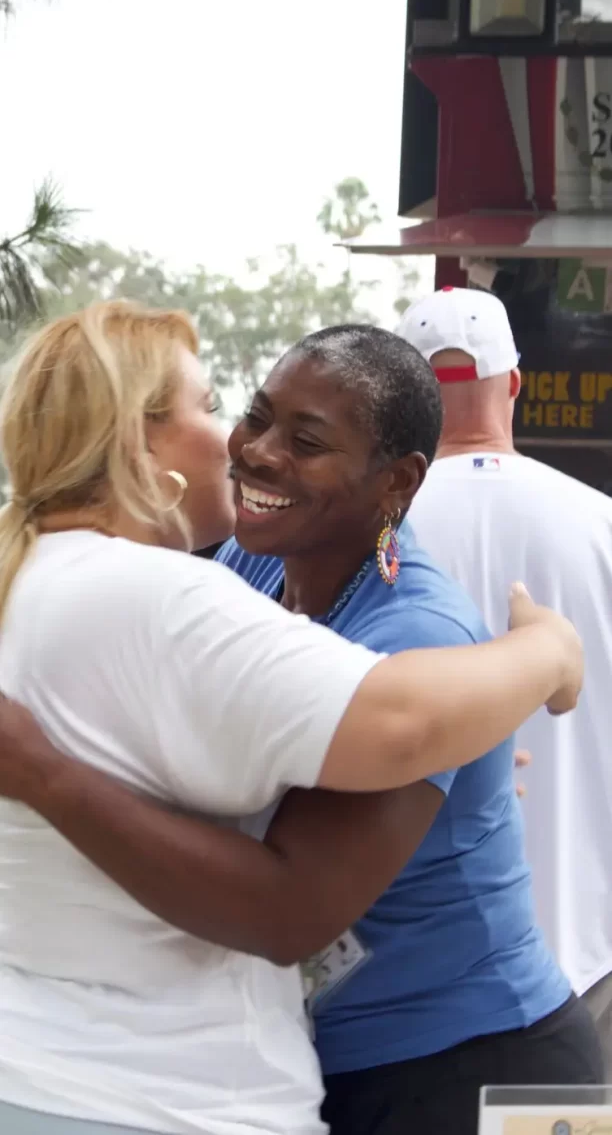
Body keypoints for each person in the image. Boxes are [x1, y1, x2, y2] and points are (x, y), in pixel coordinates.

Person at [0, 321, 595, 1135]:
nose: (258, 450)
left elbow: (299, 893)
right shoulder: (247, 564)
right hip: (335, 1061)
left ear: (396, 483)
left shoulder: (421, 631)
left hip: (479, 1057)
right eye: (255, 413)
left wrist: (545, 654)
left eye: (308, 441)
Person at [398, 285, 612, 1076]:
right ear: (515, 384)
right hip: (591, 959)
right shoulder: (601, 526)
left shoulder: (369, 533)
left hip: (415, 973)